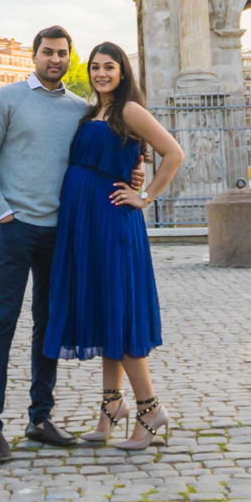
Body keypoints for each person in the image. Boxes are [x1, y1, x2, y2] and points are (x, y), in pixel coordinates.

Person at [0, 25, 143, 463]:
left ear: (70, 58)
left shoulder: (78, 109)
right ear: (34, 55)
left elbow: (103, 152)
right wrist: (2, 212)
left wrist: (135, 177)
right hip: (15, 228)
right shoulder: (7, 98)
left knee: (48, 326)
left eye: (63, 54)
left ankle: (40, 418)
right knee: (1, 325)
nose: (55, 59)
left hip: (61, 232)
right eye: (48, 52)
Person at [43, 41, 185, 450]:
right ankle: (111, 408)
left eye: (110, 67)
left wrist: (146, 196)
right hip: (84, 223)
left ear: (123, 72)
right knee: (107, 315)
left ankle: (150, 408)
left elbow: (173, 153)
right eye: (96, 67)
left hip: (112, 223)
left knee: (119, 317)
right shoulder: (93, 112)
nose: (101, 73)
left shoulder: (129, 110)